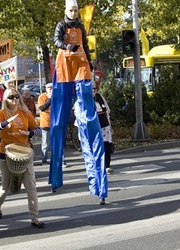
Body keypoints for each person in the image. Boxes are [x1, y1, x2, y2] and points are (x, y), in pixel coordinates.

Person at [50, 0, 107, 204]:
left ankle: (98, 183)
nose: (74, 13)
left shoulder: (81, 26)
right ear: (66, 11)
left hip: (80, 67)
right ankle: (55, 177)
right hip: (64, 67)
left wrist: (90, 64)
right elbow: (56, 41)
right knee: (57, 122)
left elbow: (86, 47)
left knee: (89, 121)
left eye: (76, 10)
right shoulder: (60, 25)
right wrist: (67, 45)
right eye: (71, 10)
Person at [0, 88, 44, 228]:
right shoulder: (1, 114)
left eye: (16, 96)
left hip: (25, 153)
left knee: (31, 186)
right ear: (5, 100)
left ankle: (34, 217)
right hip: (6, 153)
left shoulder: (25, 113)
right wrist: (5, 123)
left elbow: (38, 129)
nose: (14, 99)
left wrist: (30, 132)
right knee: (5, 186)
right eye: (10, 97)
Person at [93, 81, 114, 174]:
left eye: (95, 89)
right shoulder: (84, 98)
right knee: (95, 146)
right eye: (91, 89)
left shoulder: (100, 97)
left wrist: (109, 125)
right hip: (92, 127)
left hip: (104, 125)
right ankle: (97, 166)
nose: (93, 91)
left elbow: (107, 111)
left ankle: (107, 165)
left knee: (106, 145)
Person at [37, 82, 53, 164]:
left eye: (52, 88)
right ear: (46, 89)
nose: (51, 89)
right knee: (45, 143)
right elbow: (42, 108)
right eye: (49, 88)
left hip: (55, 123)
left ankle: (60, 159)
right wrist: (50, 99)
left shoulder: (56, 96)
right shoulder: (42, 97)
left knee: (55, 142)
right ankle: (44, 158)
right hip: (45, 123)